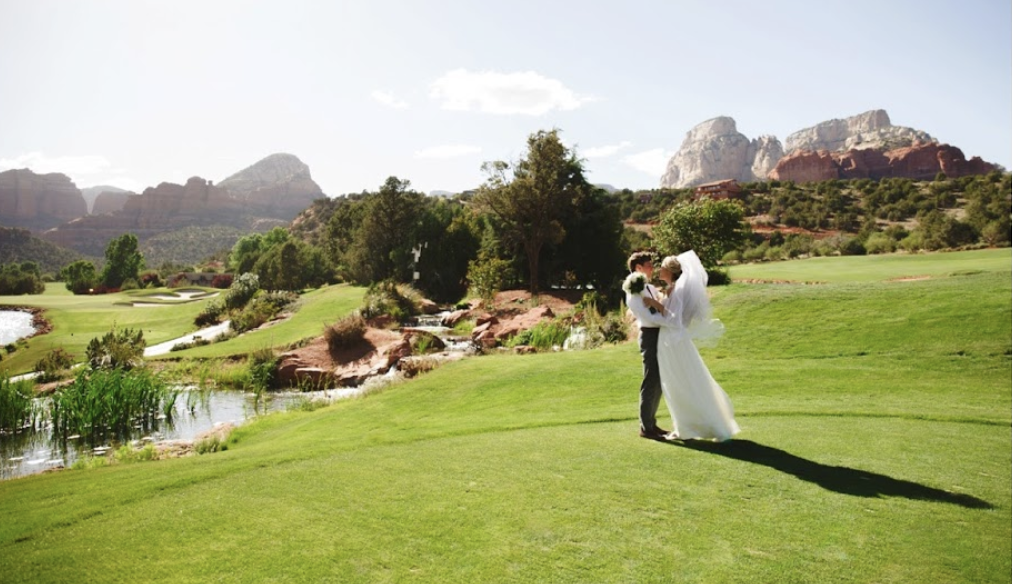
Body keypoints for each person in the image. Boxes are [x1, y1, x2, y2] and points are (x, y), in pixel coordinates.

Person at [645, 251, 740, 442]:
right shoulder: (676, 288)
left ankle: (686, 428)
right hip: (674, 341)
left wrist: (655, 304)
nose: (659, 269)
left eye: (662, 266)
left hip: (672, 341)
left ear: (670, 270)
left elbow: (674, 320)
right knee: (682, 383)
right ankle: (689, 425)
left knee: (678, 384)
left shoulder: (678, 290)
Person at [624, 251, 671, 440]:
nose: (653, 268)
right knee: (650, 379)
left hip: (659, 334)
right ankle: (646, 427)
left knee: (658, 380)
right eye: (649, 265)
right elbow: (648, 317)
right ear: (638, 268)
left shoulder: (649, 287)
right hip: (649, 335)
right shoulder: (634, 290)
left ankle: (651, 423)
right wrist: (669, 320)